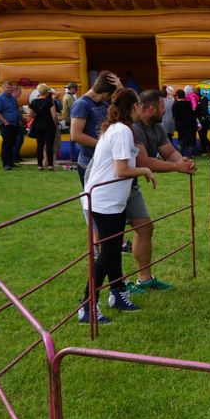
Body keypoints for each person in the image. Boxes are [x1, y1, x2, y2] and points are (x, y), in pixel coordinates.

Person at [77, 88, 157, 324]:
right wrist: (145, 170)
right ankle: (87, 305)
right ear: (133, 107)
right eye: (139, 104)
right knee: (108, 253)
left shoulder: (117, 128)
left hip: (110, 201)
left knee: (112, 251)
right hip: (105, 202)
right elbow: (121, 170)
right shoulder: (121, 130)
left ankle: (118, 294)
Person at [129, 89, 197, 292]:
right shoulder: (133, 128)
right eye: (161, 106)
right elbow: (143, 161)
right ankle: (117, 288)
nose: (165, 110)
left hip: (130, 185)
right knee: (111, 239)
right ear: (150, 108)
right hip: (111, 185)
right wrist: (177, 167)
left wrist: (184, 162)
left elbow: (168, 152)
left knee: (145, 228)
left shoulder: (156, 127)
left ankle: (144, 279)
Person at [70, 71, 122, 186]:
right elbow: (76, 135)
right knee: (94, 197)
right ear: (105, 94)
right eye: (110, 96)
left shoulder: (103, 105)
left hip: (104, 162)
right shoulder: (81, 104)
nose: (109, 99)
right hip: (89, 163)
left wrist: (120, 89)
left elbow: (123, 115)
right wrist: (103, 145)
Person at [0, 80, 22, 170]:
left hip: (14, 123)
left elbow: (16, 110)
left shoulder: (13, 98)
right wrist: (5, 122)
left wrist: (19, 119)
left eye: (11, 88)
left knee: (12, 143)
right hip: (6, 124)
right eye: (8, 88)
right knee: (7, 143)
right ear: (3, 88)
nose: (10, 89)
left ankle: (11, 161)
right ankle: (6, 163)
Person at [29, 83, 59, 170]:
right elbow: (54, 115)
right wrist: (55, 123)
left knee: (40, 145)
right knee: (49, 145)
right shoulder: (50, 101)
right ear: (47, 91)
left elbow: (30, 114)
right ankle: (50, 165)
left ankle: (39, 165)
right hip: (49, 125)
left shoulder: (34, 102)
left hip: (38, 125)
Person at [172, 88, 198, 157]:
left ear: (177, 96)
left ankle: (181, 157)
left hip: (180, 126)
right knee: (191, 143)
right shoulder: (189, 104)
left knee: (181, 142)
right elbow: (194, 114)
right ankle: (190, 157)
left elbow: (174, 116)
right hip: (191, 125)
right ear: (184, 96)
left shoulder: (175, 105)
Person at [61, 82, 79, 166]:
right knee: (73, 139)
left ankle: (73, 156)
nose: (77, 90)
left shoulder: (65, 96)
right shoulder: (70, 97)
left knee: (72, 138)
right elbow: (74, 109)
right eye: (76, 89)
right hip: (72, 120)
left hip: (68, 120)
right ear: (71, 89)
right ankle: (73, 157)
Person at [195, 89, 210, 156]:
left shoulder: (203, 98)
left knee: (204, 136)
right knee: (201, 136)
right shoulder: (196, 99)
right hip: (199, 120)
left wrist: (198, 109)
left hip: (204, 120)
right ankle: (204, 151)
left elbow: (204, 110)